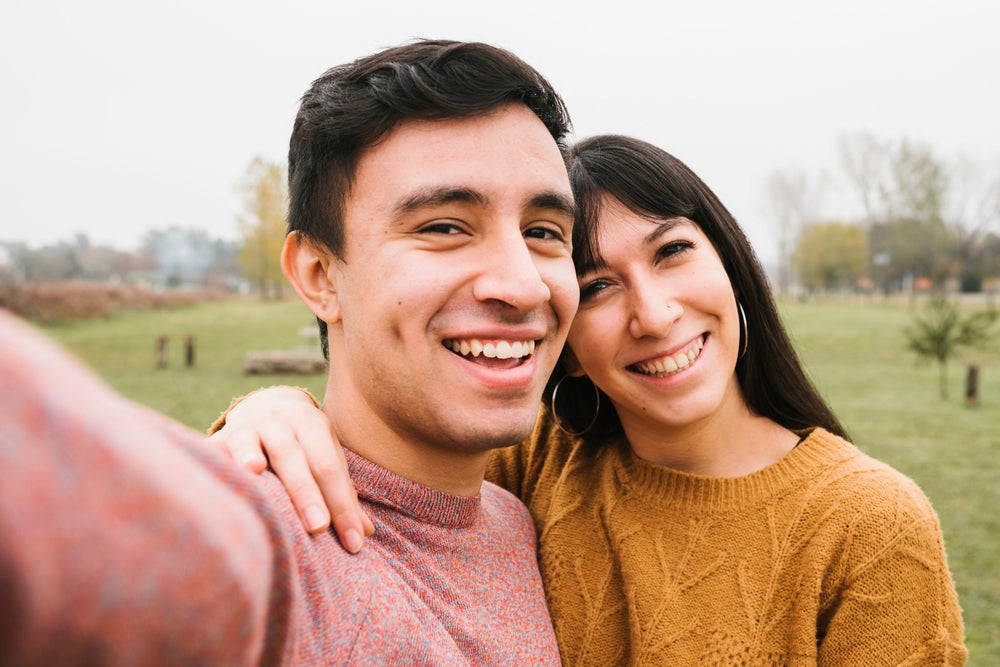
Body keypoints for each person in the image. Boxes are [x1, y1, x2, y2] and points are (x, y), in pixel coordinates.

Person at [212, 135, 968, 664]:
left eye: (673, 252)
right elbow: (383, 465)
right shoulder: (536, 463)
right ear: (564, 333)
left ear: (732, 266)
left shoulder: (870, 526)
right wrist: (271, 411)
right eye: (600, 285)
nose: (655, 314)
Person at [2, 38, 582, 664]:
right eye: (443, 227)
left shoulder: (524, 521)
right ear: (318, 275)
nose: (523, 283)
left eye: (543, 232)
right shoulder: (275, 531)